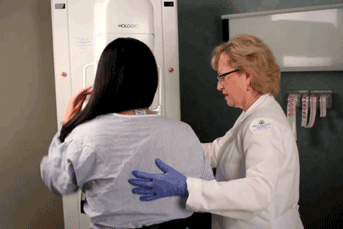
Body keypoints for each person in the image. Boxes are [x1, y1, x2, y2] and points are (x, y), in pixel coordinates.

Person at [128, 34, 304, 229]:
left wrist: (187, 186)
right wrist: (166, 149)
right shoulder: (253, 116)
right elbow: (216, 152)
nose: (219, 85)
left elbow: (257, 193)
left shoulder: (263, 125)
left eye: (223, 77)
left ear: (247, 75)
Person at [40, 37, 214, 229]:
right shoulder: (184, 131)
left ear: (103, 81)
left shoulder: (83, 135)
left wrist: (65, 126)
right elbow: (207, 193)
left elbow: (58, 183)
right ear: (151, 79)